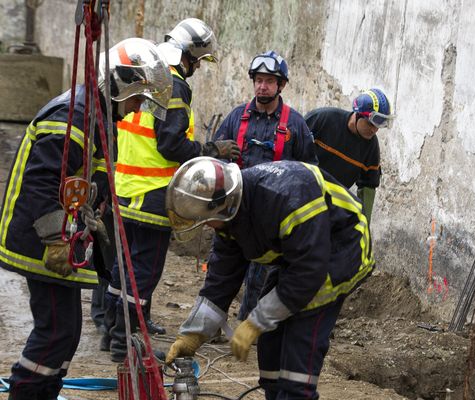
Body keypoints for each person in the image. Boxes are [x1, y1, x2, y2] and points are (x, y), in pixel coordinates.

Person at [0, 38, 172, 400]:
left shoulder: (97, 113)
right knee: (57, 332)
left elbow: (88, 181)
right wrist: (53, 240)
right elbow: (40, 183)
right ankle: (27, 393)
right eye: (138, 97)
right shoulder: (74, 114)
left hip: (61, 236)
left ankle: (40, 391)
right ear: (120, 84)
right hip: (43, 240)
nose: (137, 108)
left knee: (66, 331)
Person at [163, 157, 374, 399]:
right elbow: (220, 281)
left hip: (339, 251)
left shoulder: (287, 197)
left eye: (206, 221)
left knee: (300, 342)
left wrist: (256, 322)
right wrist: (192, 334)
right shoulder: (229, 216)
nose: (208, 227)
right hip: (298, 257)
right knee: (271, 344)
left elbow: (307, 274)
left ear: (223, 206)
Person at [102, 18, 240, 362]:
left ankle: (112, 332)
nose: (196, 68)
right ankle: (126, 344)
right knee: (143, 274)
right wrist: (213, 151)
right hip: (154, 193)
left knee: (124, 269)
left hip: (126, 187)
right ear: (188, 56)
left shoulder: (146, 76)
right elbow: (171, 144)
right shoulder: (173, 85)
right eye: (198, 61)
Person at [212, 50, 317, 320]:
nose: (262, 86)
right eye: (258, 79)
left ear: (280, 85)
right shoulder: (236, 118)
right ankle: (211, 324)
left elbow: (309, 173)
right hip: (232, 211)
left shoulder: (295, 125)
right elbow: (213, 161)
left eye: (269, 81)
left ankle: (248, 325)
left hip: (270, 219)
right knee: (221, 270)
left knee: (260, 276)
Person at [305, 88, 394, 223]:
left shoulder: (371, 147)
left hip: (330, 209)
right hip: (302, 193)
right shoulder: (323, 119)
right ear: (358, 115)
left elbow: (368, 187)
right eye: (370, 124)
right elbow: (292, 150)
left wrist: (364, 227)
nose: (374, 130)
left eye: (378, 126)